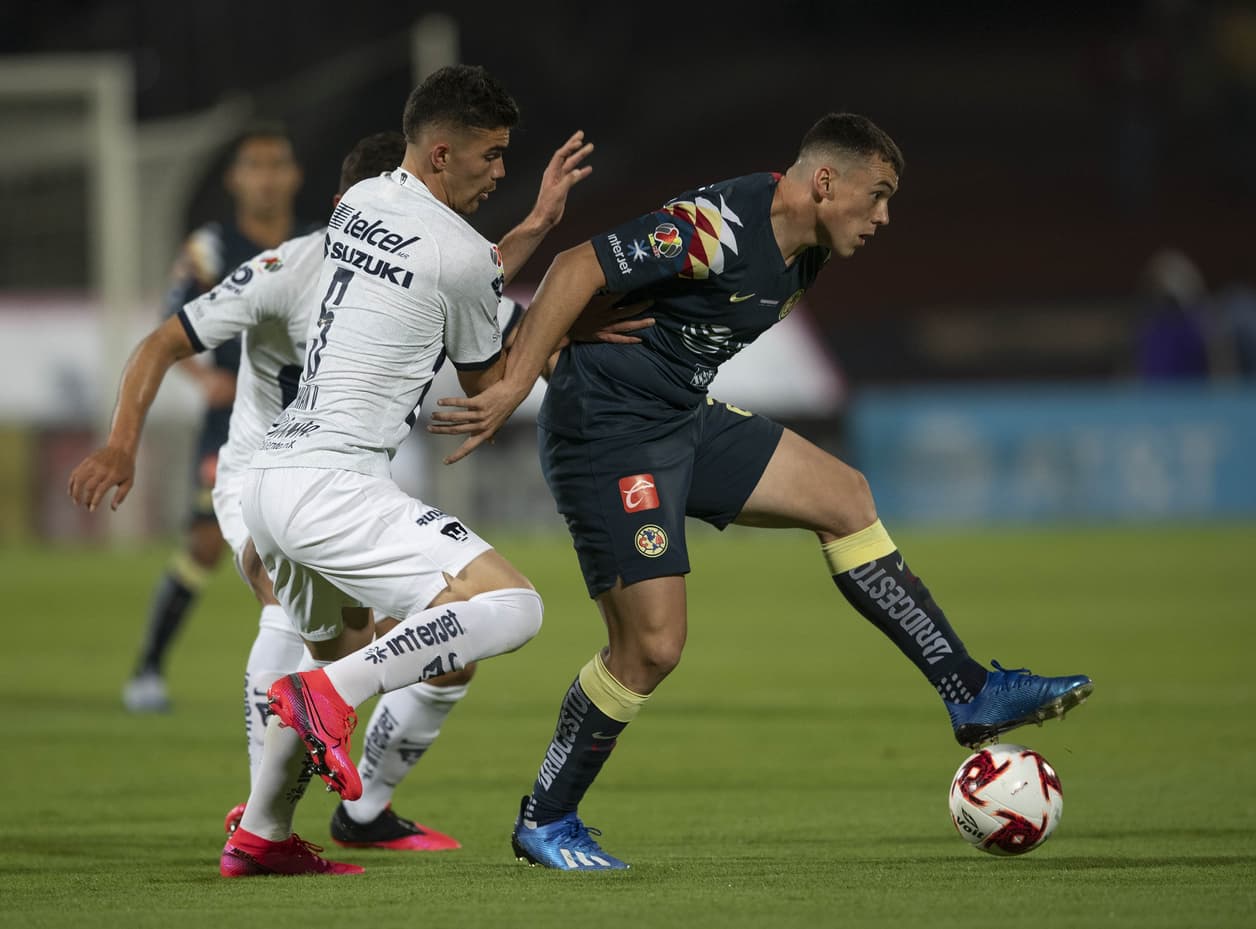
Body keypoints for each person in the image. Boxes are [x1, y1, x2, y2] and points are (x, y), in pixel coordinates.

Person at [428, 113, 1096, 870]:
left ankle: (968, 687)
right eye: (875, 196)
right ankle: (545, 819)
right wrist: (517, 381)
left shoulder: (808, 248)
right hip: (610, 437)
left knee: (844, 496)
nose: (883, 217)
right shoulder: (716, 228)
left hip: (680, 417)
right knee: (651, 647)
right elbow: (578, 265)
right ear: (823, 182)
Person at [221, 64, 611, 878]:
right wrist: (556, 321)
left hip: (274, 478)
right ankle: (331, 698)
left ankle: (261, 832)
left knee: (341, 646)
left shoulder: (362, 202)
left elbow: (443, 267)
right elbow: (487, 383)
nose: (501, 171)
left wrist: (532, 226)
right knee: (513, 605)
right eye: (492, 155)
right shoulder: (463, 255)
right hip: (337, 484)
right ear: (441, 154)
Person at [71, 131, 508, 852]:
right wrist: (122, 443)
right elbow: (161, 341)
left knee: (453, 638)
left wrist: (534, 231)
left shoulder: (417, 270)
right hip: (262, 476)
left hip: (349, 481)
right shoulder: (285, 268)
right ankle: (259, 815)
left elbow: (483, 289)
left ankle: (365, 811)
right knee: (281, 594)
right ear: (353, 206)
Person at [122, 125, 304, 713]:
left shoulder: (313, 242)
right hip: (231, 421)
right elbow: (169, 327)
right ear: (235, 180)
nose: (267, 178)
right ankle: (148, 667)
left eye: (277, 165)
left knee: (310, 544)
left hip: (301, 419)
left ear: (294, 177)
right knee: (205, 542)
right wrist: (205, 379)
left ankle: (309, 677)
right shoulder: (212, 246)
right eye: (255, 166)